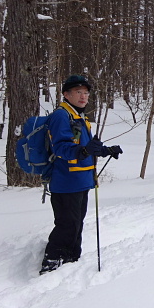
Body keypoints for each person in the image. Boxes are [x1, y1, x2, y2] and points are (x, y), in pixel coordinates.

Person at [40, 75, 123, 275]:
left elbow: (86, 147)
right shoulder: (61, 116)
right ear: (66, 94)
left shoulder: (80, 116)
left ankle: (70, 260)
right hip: (66, 181)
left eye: (86, 93)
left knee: (76, 223)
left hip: (82, 180)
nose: (84, 96)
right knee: (67, 224)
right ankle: (51, 264)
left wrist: (105, 150)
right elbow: (61, 148)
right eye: (78, 92)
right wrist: (84, 151)